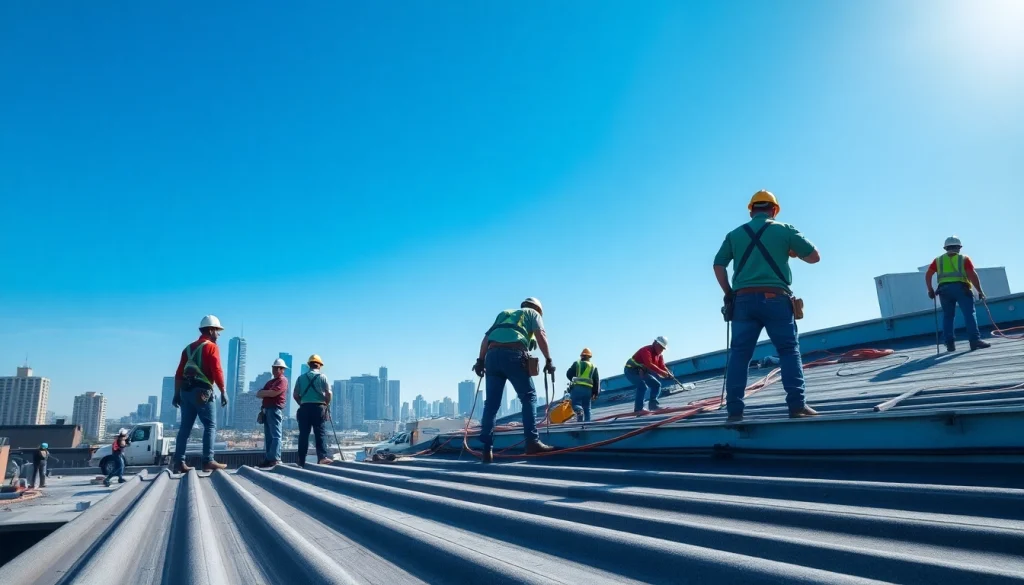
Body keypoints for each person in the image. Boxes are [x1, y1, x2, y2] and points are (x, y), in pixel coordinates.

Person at [713, 189, 821, 423]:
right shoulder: (784, 230)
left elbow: (718, 265)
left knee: (740, 356)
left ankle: (734, 412)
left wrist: (729, 293)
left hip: (742, 301)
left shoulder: (734, 234)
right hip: (776, 299)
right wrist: (792, 251)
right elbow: (814, 257)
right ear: (774, 210)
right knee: (788, 351)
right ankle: (797, 406)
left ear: (751, 210)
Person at [473, 297, 557, 463]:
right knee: (528, 397)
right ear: (538, 309)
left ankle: (486, 449)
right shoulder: (534, 314)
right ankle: (532, 442)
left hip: (492, 356)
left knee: (491, 404)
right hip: (513, 354)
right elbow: (541, 335)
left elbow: (485, 340)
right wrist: (549, 360)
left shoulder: (504, 313)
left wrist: (480, 361)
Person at [171, 315, 229, 473]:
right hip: (202, 392)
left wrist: (176, 394)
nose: (219, 335)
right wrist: (223, 391)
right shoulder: (211, 347)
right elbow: (217, 370)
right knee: (210, 425)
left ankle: (179, 462)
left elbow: (178, 374)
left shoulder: (188, 349)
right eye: (217, 331)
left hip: (186, 391)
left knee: (185, 428)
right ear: (211, 330)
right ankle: (208, 460)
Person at [925, 236, 991, 352]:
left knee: (948, 316)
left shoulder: (938, 260)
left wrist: (930, 290)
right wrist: (980, 291)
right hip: (961, 288)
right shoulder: (964, 259)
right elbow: (972, 275)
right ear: (959, 247)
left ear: (945, 248)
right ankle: (974, 341)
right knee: (969, 314)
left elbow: (928, 274)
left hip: (944, 290)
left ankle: (949, 344)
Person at [293, 354, 333, 467]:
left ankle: (301, 460)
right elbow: (329, 393)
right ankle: (322, 458)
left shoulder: (300, 378)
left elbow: (295, 394)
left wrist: (302, 403)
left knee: (303, 435)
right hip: (318, 408)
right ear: (319, 365)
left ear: (309, 365)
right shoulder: (323, 377)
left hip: (304, 408)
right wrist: (326, 403)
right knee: (320, 433)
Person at [624, 337, 673, 415]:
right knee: (642, 386)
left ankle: (653, 406)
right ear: (655, 343)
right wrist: (662, 373)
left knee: (656, 385)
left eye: (663, 348)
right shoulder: (646, 350)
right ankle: (638, 409)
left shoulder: (659, 355)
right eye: (660, 347)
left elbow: (662, 366)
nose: (661, 350)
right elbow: (649, 364)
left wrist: (668, 372)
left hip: (642, 371)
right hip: (631, 371)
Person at [256, 358, 290, 468]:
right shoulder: (270, 382)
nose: (274, 370)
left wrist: (265, 393)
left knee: (276, 435)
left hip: (275, 409)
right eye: (274, 368)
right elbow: (258, 394)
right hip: (267, 410)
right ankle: (270, 458)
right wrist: (266, 393)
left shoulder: (282, 380)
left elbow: (274, 393)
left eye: (276, 368)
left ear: (282, 370)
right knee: (269, 436)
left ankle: (274, 458)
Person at [565, 348, 600, 422]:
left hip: (577, 388)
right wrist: (595, 393)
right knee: (587, 408)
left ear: (581, 356)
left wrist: (573, 379)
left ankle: (579, 412)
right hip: (588, 390)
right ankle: (587, 425)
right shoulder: (593, 367)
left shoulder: (577, 363)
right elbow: (596, 381)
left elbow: (568, 374)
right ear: (589, 357)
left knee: (575, 404)